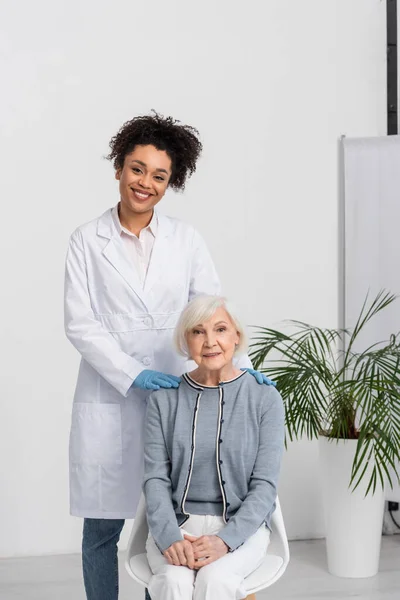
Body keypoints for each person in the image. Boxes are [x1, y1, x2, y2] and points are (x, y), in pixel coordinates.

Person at [64, 112, 274, 600]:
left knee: (167, 525)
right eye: (137, 169)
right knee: (102, 532)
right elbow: (80, 323)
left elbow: (211, 312)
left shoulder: (186, 240)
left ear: (170, 183)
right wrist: (134, 375)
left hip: (183, 401)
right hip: (110, 401)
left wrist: (242, 370)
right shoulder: (85, 242)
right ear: (119, 168)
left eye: (159, 176)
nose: (146, 183)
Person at [144, 294, 285, 600]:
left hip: (239, 526)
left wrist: (225, 540)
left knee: (216, 579)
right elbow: (155, 478)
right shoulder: (162, 400)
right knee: (173, 582)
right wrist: (169, 536)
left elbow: (264, 485)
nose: (209, 341)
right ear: (186, 340)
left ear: (237, 336)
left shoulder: (265, 398)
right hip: (178, 525)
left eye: (220, 329)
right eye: (198, 331)